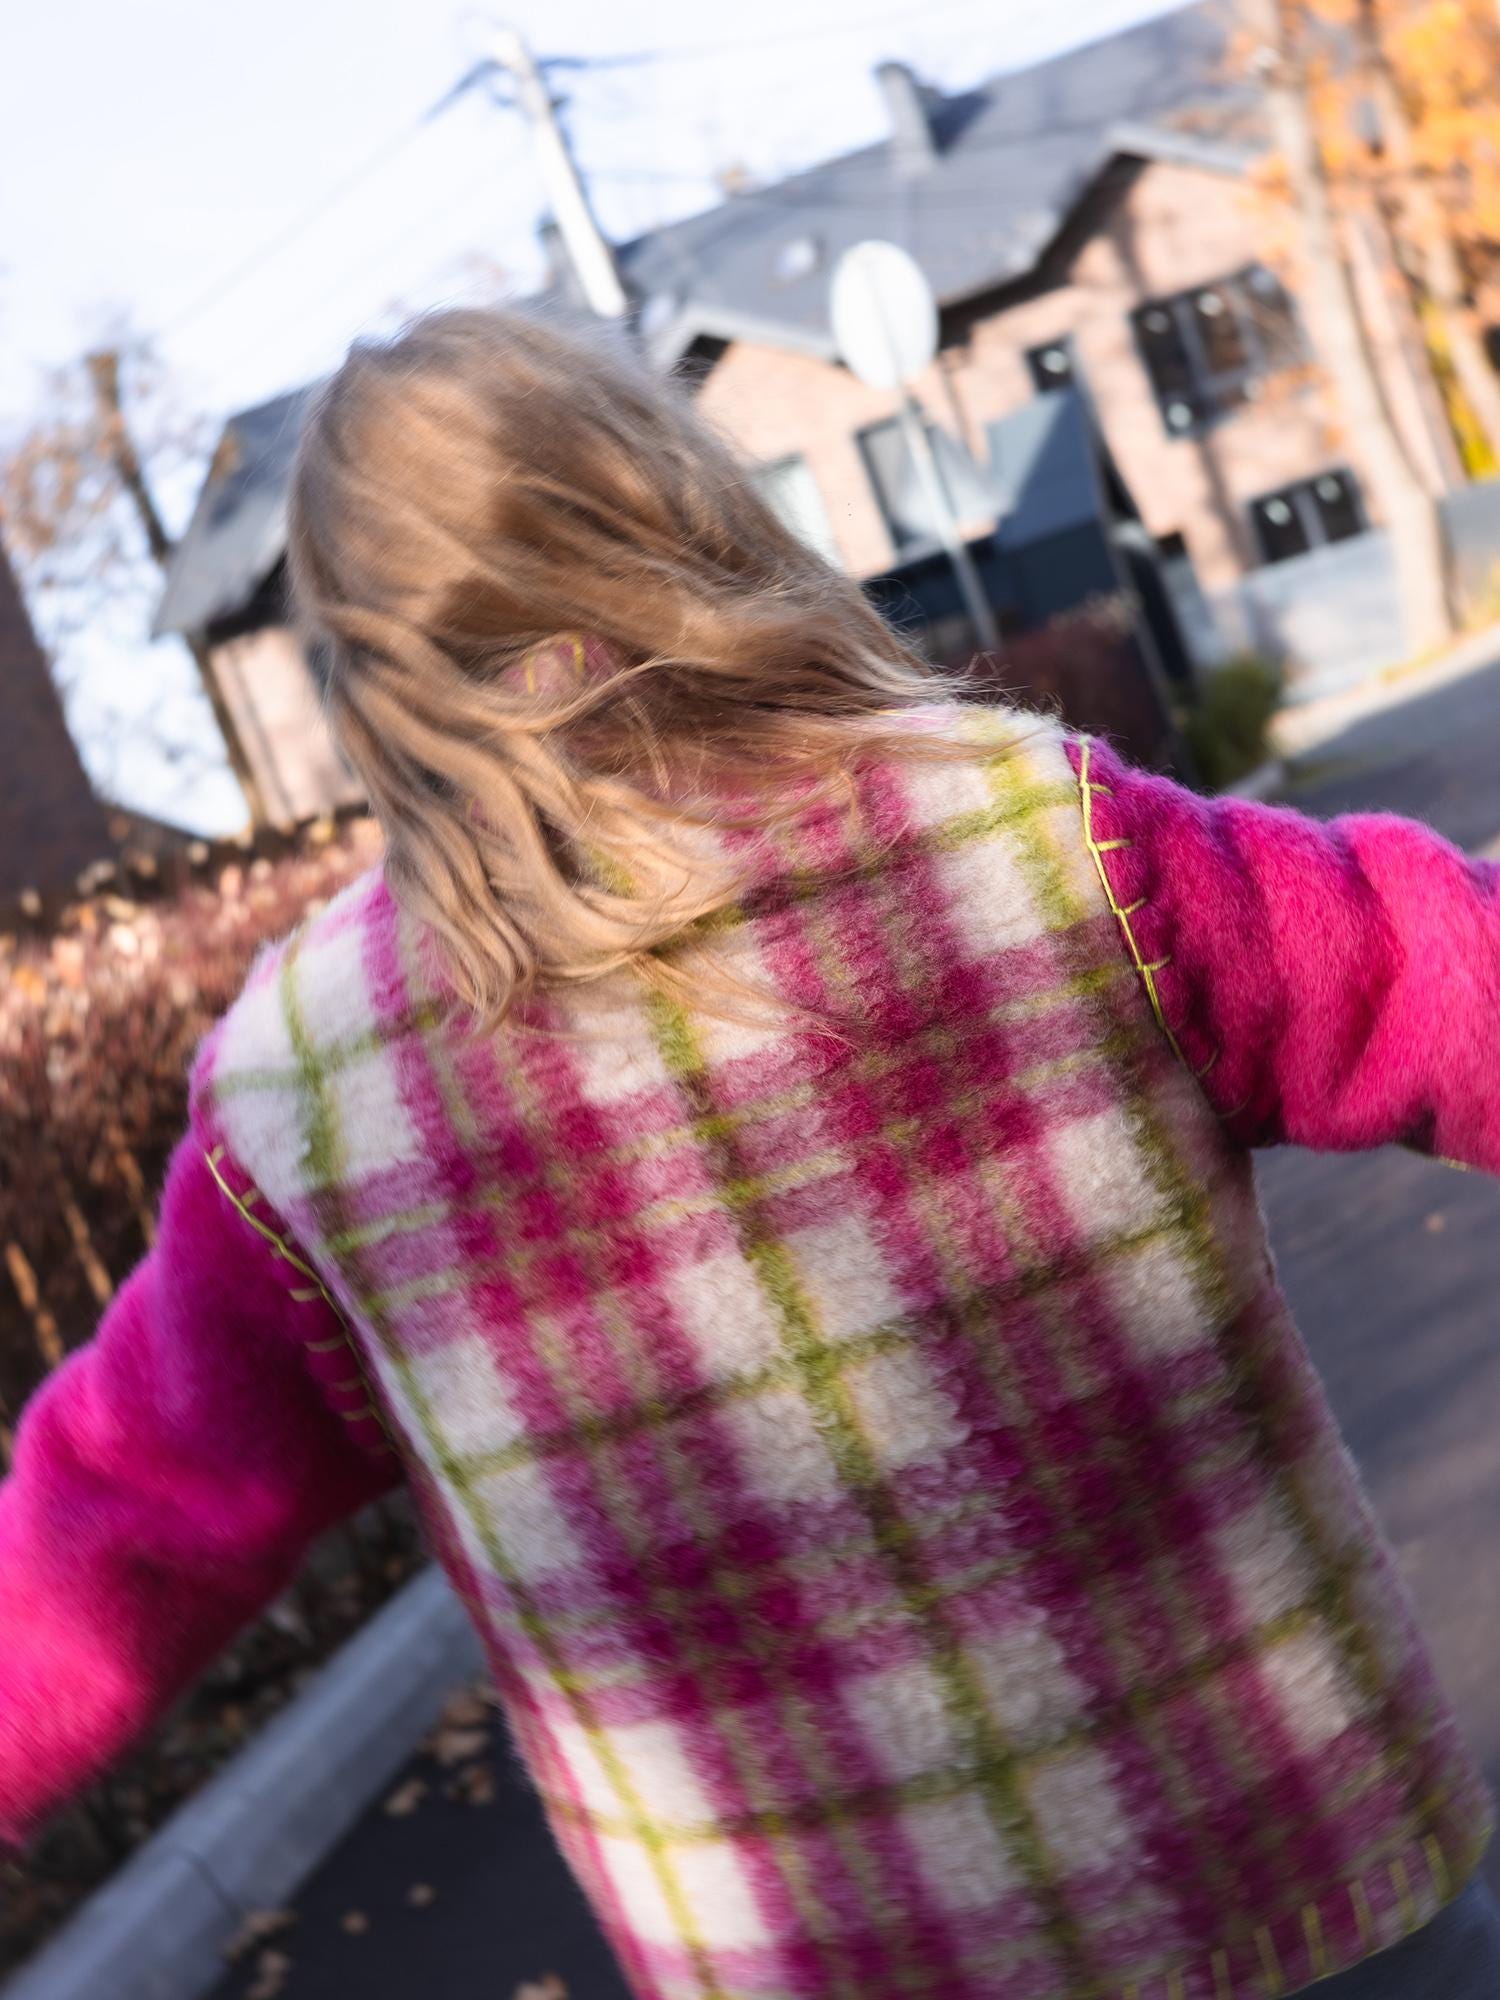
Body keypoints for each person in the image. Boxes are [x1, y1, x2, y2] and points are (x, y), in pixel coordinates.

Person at [1, 307, 1497, 2000]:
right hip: (1293, 1883)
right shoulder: (1038, 835)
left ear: (361, 668)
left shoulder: (301, 1107)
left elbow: (121, 1523)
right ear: (680, 514)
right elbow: (1440, 979)